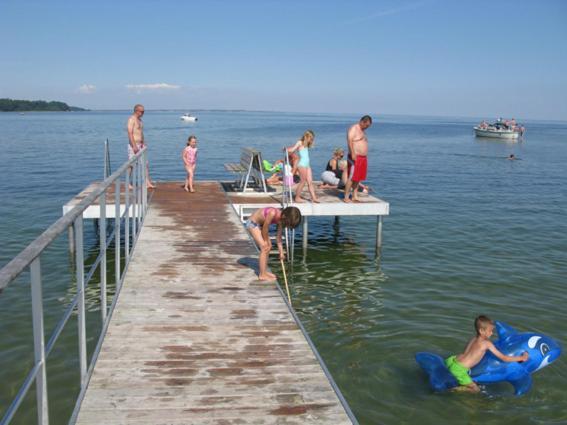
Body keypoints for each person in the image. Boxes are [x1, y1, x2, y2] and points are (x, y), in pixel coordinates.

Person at [445, 315, 528, 393]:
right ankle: (452, 389)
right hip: (459, 370)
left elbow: (466, 353)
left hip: (452, 360)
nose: (492, 333)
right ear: (481, 331)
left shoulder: (473, 339)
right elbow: (504, 358)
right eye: (490, 331)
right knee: (475, 389)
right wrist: (521, 358)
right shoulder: (487, 344)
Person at [245, 206, 302, 281]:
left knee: (268, 247)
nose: (287, 226)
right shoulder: (272, 213)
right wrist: (266, 240)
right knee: (264, 247)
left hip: (260, 225)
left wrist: (281, 253)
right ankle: (262, 275)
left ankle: (264, 272)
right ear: (285, 216)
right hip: (252, 223)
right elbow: (265, 228)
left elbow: (278, 237)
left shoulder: (282, 220)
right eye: (288, 224)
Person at [344, 115, 372, 203]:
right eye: (366, 125)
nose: (367, 128)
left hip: (362, 158)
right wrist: (352, 153)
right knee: (352, 177)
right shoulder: (354, 128)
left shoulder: (362, 131)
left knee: (358, 177)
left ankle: (354, 195)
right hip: (355, 156)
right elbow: (349, 140)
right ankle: (346, 196)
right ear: (362, 122)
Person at [127, 104, 156, 188]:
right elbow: (130, 133)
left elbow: (140, 132)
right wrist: (134, 146)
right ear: (136, 111)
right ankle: (128, 182)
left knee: (145, 164)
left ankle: (147, 182)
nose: (143, 113)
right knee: (131, 165)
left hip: (141, 145)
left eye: (144, 111)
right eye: (142, 111)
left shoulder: (140, 120)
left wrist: (144, 141)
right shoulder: (131, 119)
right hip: (134, 145)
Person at [287, 130, 319, 203]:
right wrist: (286, 149)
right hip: (301, 164)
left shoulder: (306, 144)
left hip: (307, 165)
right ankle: (297, 197)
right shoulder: (300, 142)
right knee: (303, 181)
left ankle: (314, 198)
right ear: (307, 136)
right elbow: (292, 149)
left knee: (310, 182)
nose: (311, 140)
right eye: (311, 138)